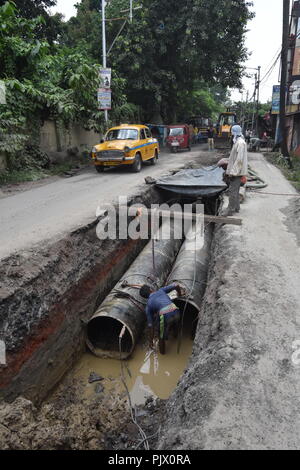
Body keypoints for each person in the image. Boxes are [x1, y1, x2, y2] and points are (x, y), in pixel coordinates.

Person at [140, 283, 185, 354]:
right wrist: (179, 294)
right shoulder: (161, 290)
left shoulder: (148, 306)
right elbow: (176, 285)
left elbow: (150, 326)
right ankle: (175, 336)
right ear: (151, 290)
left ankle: (162, 353)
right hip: (176, 311)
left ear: (145, 297)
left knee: (161, 336)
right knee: (174, 323)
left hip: (166, 316)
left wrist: (151, 341)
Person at [221, 125, 248, 217]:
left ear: (235, 132)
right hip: (236, 171)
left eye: (232, 131)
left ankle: (230, 209)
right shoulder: (238, 142)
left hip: (236, 172)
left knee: (232, 190)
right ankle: (236, 207)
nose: (231, 133)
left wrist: (233, 173)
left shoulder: (240, 143)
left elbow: (239, 160)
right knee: (235, 190)